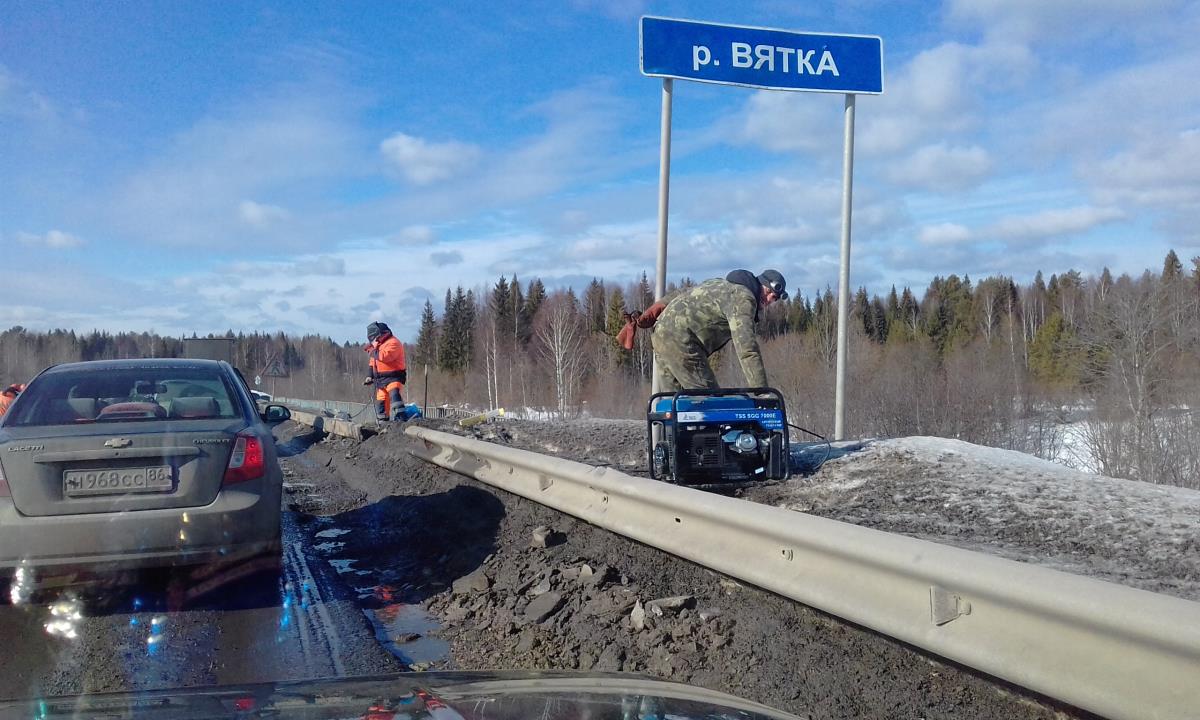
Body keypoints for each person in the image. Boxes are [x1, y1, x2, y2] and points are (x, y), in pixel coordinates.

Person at [650, 269, 787, 391]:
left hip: (660, 334)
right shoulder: (744, 298)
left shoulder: (718, 283)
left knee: (673, 405)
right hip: (682, 341)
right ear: (759, 283)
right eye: (768, 291)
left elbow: (684, 292)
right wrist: (761, 392)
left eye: (774, 298)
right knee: (709, 404)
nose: (769, 299)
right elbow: (747, 349)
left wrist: (655, 309)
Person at [363, 322, 408, 421]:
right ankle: (383, 423)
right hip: (380, 380)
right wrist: (369, 376)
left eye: (375, 338)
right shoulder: (378, 345)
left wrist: (371, 350)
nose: (375, 340)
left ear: (381, 334)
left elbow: (384, 356)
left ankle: (401, 419)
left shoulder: (394, 343)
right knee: (381, 402)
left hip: (394, 377)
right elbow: (372, 362)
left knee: (394, 395)